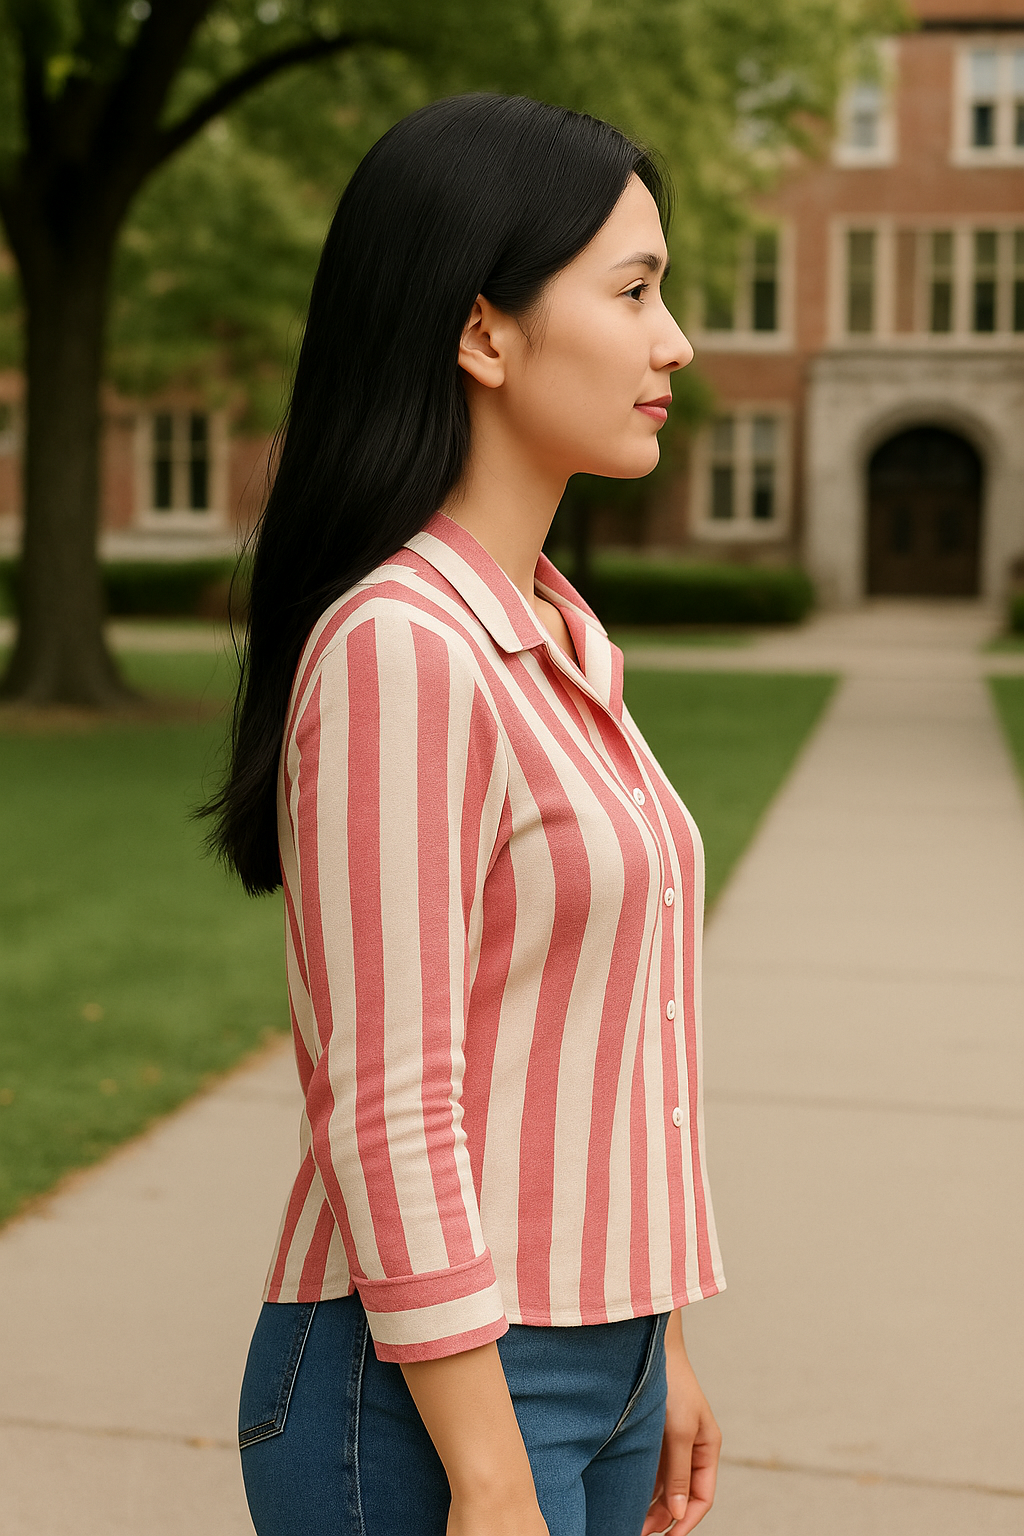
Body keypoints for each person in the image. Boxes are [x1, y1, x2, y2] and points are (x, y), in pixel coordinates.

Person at [207, 93, 725, 1536]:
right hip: (427, 1399)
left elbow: (604, 1050)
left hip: (599, 1366)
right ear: (483, 332)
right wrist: (493, 1472)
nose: (673, 340)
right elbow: (393, 1103)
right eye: (633, 292)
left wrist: (658, 1337)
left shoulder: (555, 632)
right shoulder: (403, 647)